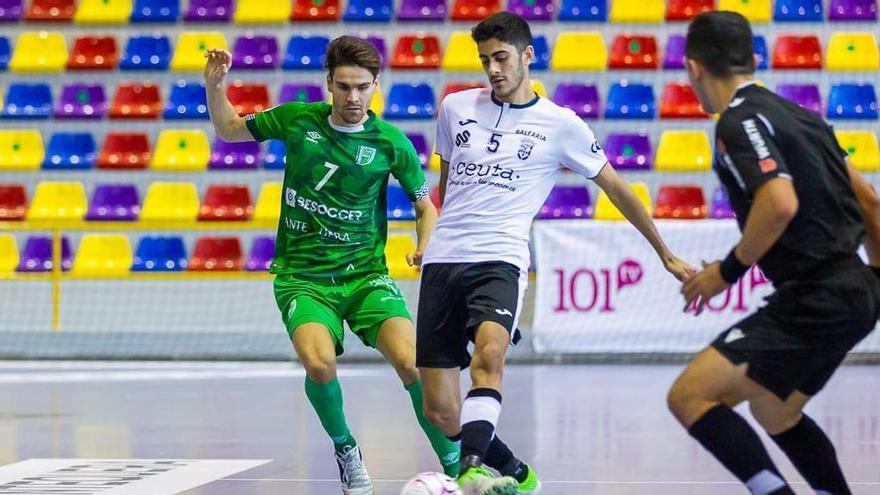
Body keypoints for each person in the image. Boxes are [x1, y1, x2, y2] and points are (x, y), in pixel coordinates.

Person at [416, 12, 694, 495]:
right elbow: (447, 186)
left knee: (490, 356)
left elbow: (616, 187)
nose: (493, 70)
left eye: (501, 58)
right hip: (444, 261)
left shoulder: (561, 125)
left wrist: (663, 251)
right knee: (440, 411)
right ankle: (519, 475)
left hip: (499, 258)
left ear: (528, 55)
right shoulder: (455, 108)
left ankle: (472, 471)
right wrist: (430, 238)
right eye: (485, 61)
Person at [203, 36, 460, 495]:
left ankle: (457, 466)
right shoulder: (298, 119)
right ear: (329, 84)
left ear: (376, 85)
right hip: (303, 279)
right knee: (319, 364)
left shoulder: (390, 143)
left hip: (366, 277)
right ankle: (346, 449)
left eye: (362, 87)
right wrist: (215, 88)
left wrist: (426, 245)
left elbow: (425, 205)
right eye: (343, 86)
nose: (353, 97)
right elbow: (228, 130)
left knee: (413, 364)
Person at [669, 11, 880, 495]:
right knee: (775, 409)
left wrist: (725, 272)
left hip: (816, 294)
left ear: (694, 68)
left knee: (690, 395)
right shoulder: (805, 118)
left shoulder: (737, 123)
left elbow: (778, 201)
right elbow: (869, 201)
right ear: (755, 59)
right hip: (857, 288)